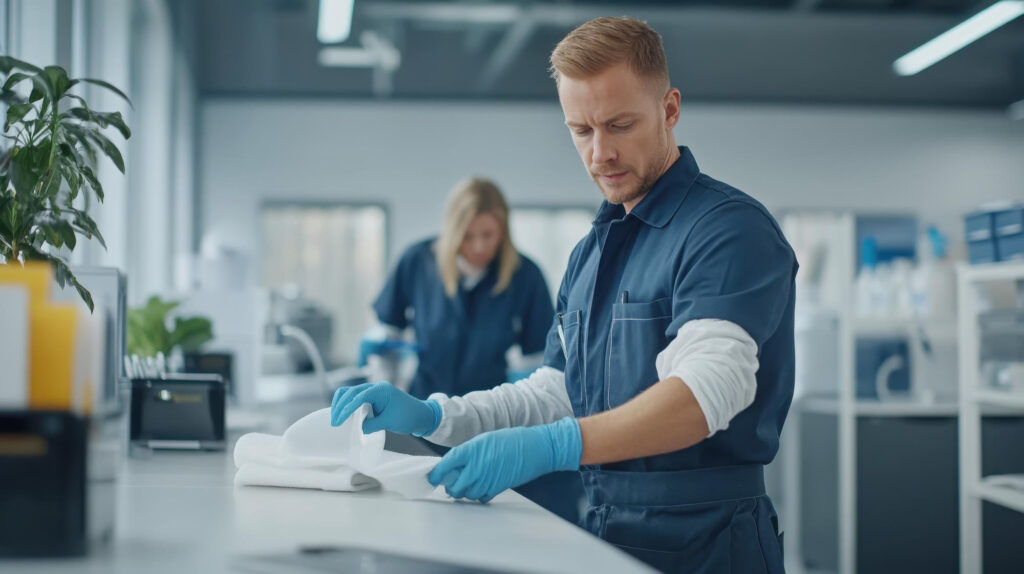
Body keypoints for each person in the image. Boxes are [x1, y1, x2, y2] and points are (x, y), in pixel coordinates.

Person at [334, 17, 796, 573]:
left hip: (707, 542)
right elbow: (557, 391)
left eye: (620, 125)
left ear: (670, 109)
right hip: (604, 530)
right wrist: (435, 416)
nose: (600, 153)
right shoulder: (590, 255)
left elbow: (703, 395)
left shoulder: (726, 230)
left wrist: (554, 447)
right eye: (581, 130)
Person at [369, 177, 554, 400]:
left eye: (488, 235)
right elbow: (388, 336)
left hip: (491, 408)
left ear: (503, 231)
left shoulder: (526, 275)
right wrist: (387, 391)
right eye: (467, 236)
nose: (479, 247)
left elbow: (537, 358)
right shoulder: (416, 262)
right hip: (423, 404)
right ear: (452, 231)